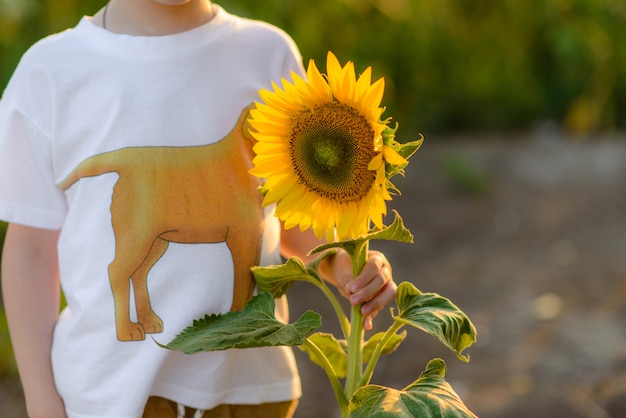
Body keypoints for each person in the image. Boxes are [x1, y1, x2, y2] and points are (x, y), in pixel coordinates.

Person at [0, 1, 397, 417]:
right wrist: (41, 399)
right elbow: (31, 251)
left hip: (251, 389)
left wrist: (342, 263)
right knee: (136, 254)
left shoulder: (267, 54)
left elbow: (288, 215)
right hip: (109, 395)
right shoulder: (50, 71)